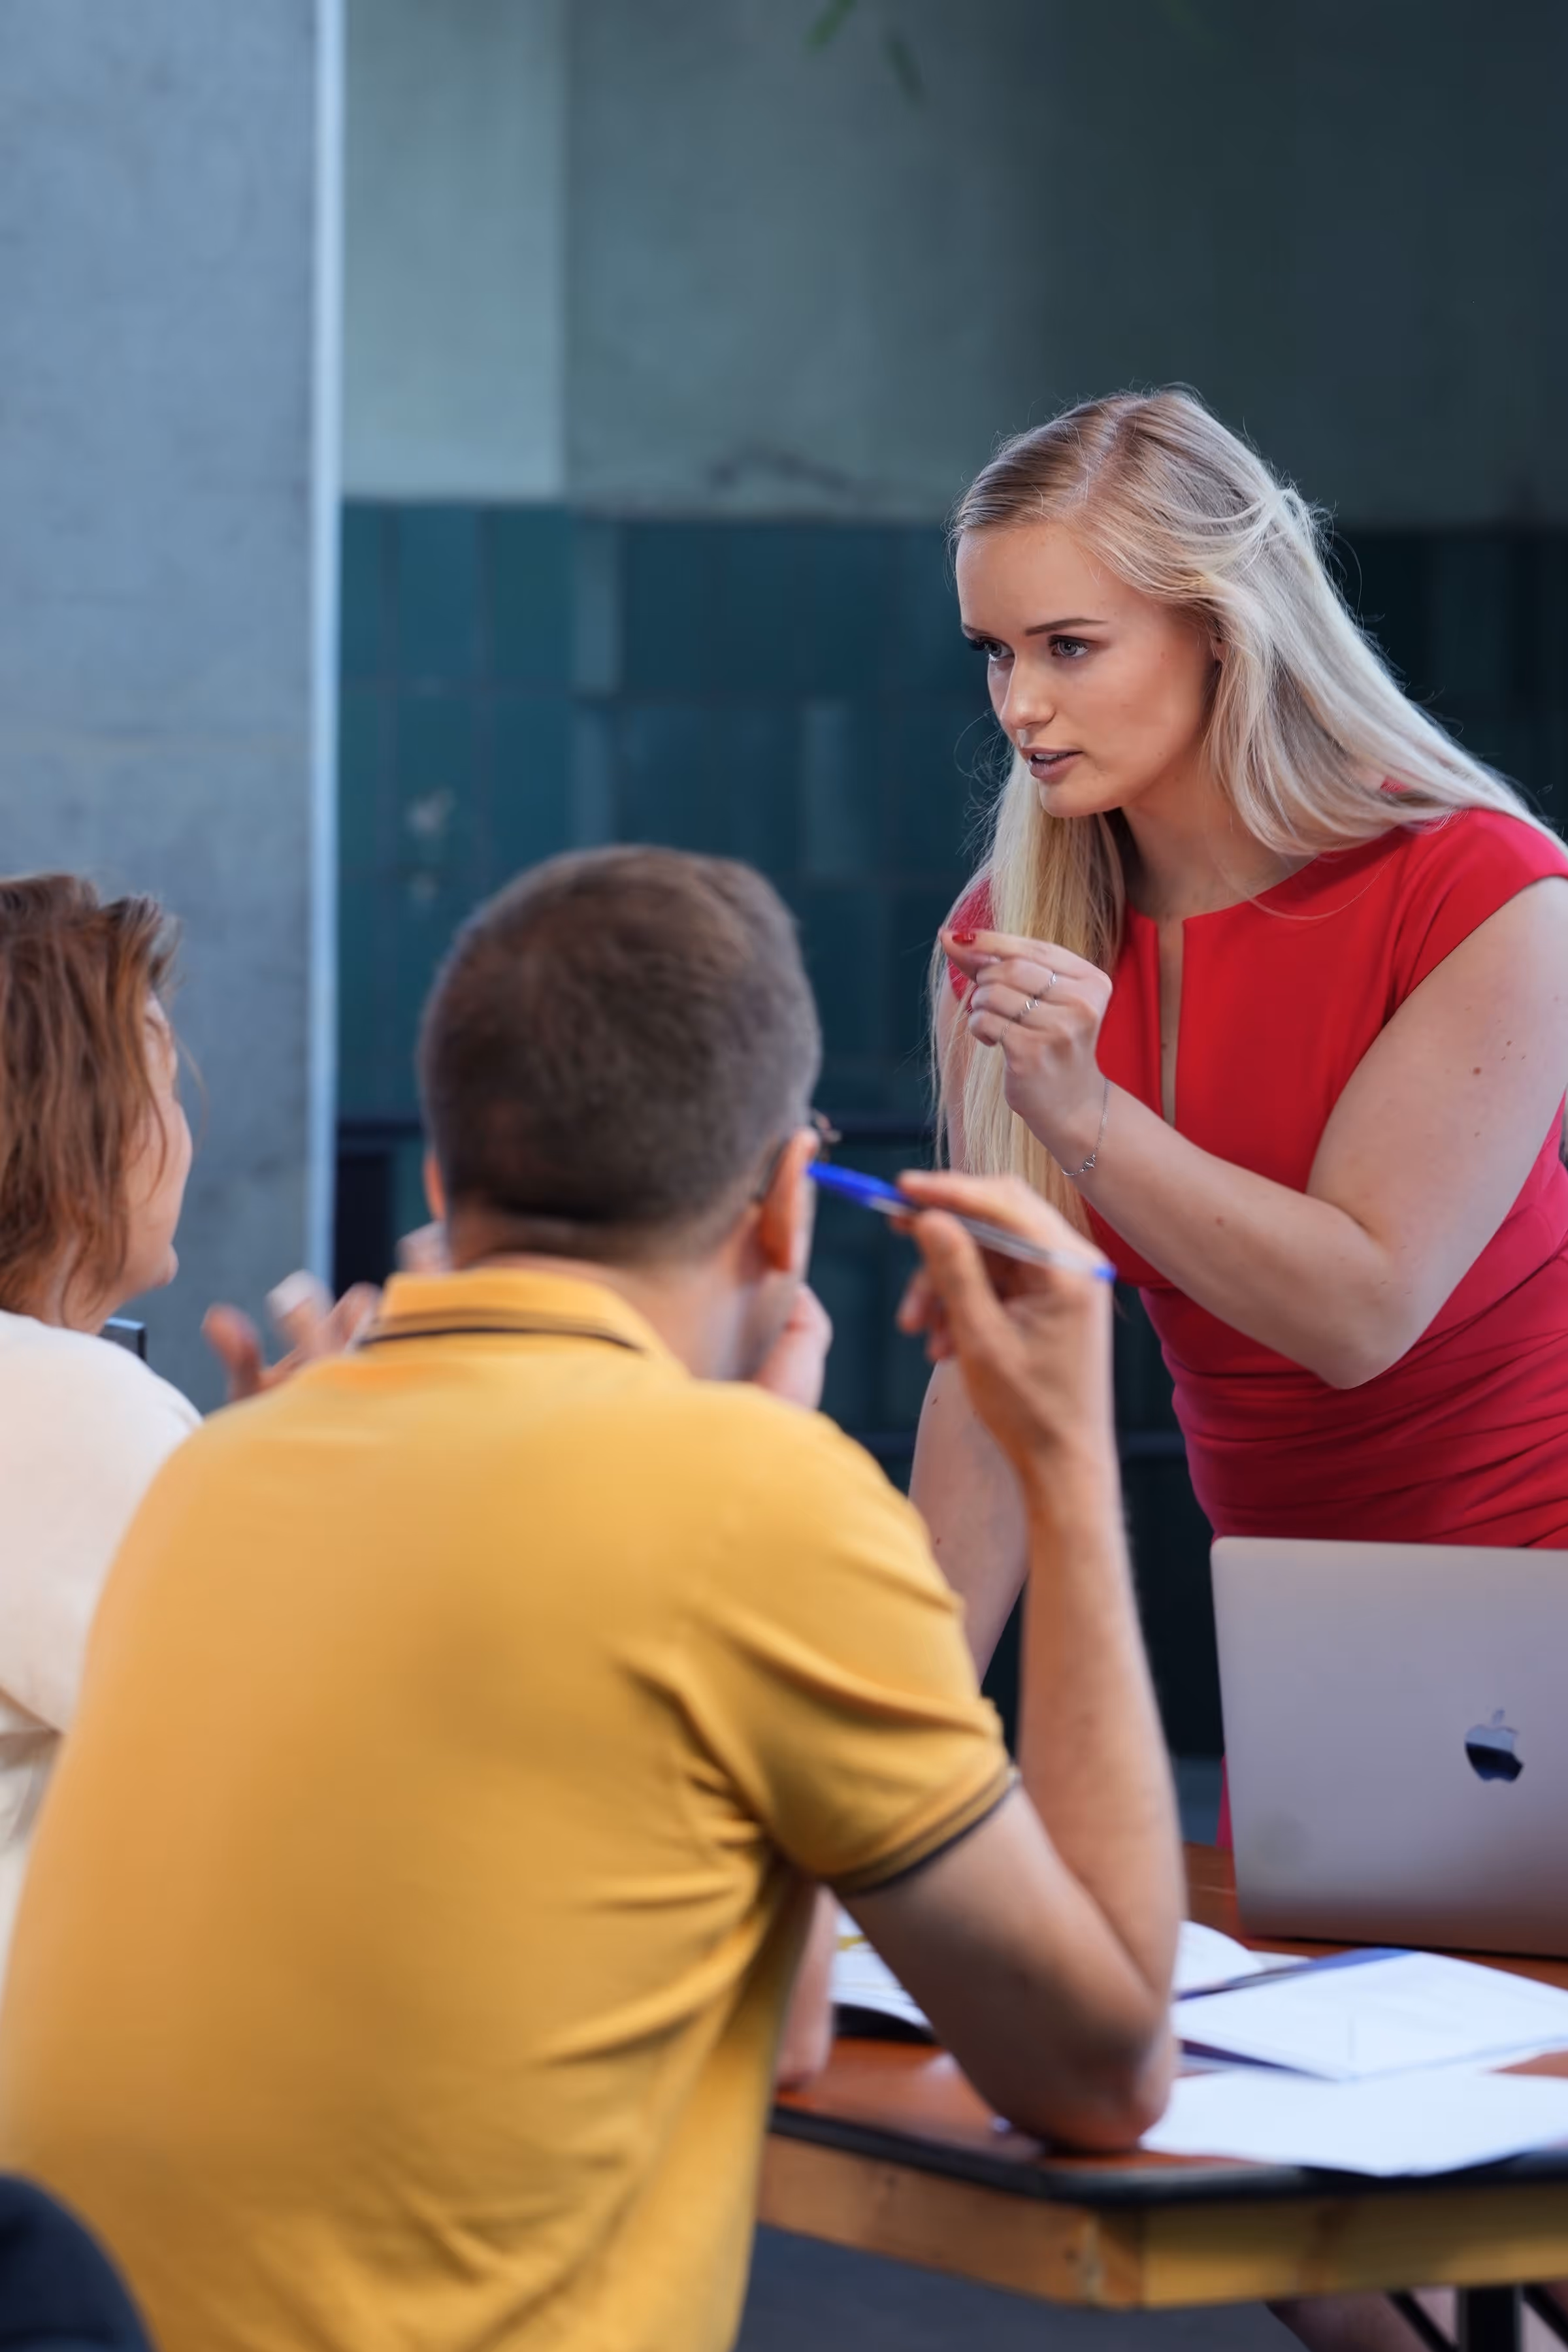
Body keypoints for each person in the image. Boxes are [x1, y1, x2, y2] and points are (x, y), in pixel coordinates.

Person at [0, 847, 1183, 2352]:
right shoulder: (752, 1504)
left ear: (442, 1184)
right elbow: (1107, 2067)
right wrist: (1069, 1472)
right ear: (780, 1207)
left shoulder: (222, 1470)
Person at [917, 387, 1568, 1674]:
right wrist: (884, 1741)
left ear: (1222, 628)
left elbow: (1359, 1314)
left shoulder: (1486, 890)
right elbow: (1000, 1369)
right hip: (1293, 1619)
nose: (1019, 706)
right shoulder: (1010, 935)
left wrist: (1088, 1115)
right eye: (994, 651)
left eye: (1068, 646)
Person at [0, 875, 373, 1981]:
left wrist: (240, 1496)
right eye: (162, 1080)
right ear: (76, 1134)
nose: (184, 1132)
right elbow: (301, 1766)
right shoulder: (63, 1397)